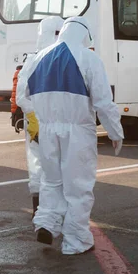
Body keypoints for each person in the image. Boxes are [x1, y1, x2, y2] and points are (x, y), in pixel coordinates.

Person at [16, 16, 124, 255]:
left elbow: (23, 95)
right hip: (77, 130)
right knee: (78, 187)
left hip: (47, 130)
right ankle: (76, 241)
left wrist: (39, 116)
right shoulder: (89, 58)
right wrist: (116, 132)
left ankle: (46, 223)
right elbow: (104, 103)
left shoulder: (39, 58)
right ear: (85, 35)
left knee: (51, 181)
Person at [13, 16, 64, 217]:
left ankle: (50, 213)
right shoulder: (35, 60)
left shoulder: (62, 59)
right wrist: (34, 117)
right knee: (40, 167)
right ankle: (42, 213)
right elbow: (21, 96)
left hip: (56, 123)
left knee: (49, 167)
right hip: (41, 124)